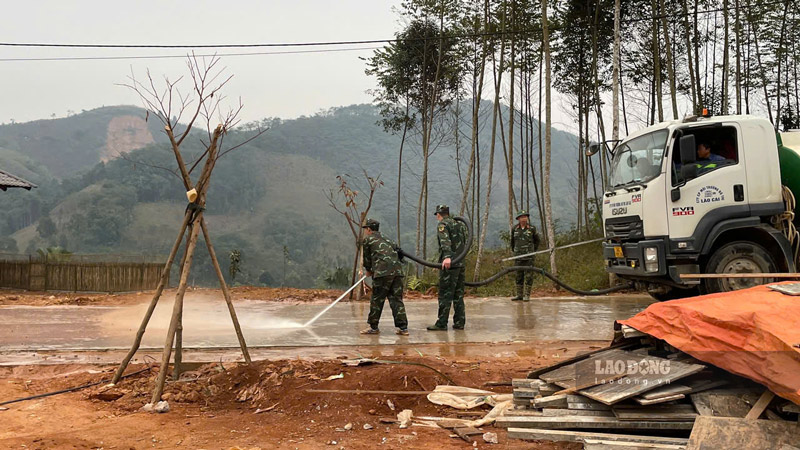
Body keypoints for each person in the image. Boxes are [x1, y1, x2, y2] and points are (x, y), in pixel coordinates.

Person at [360, 219, 409, 336]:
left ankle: (373, 327)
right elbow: (398, 252)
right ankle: (403, 328)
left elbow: (367, 258)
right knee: (396, 299)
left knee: (377, 299)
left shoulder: (368, 240)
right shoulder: (387, 238)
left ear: (369, 229)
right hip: (397, 272)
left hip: (382, 273)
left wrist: (368, 270)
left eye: (366, 229)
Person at [427, 205, 468, 331]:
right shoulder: (459, 224)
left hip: (450, 264)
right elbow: (465, 241)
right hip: (460, 262)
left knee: (445, 294)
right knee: (458, 294)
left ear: (438, 214)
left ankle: (442, 323)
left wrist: (447, 257)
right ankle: (459, 322)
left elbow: (445, 241)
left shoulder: (443, 225)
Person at [510, 210, 540, 302]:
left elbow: (537, 241)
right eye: (522, 217)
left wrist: (532, 251)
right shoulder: (515, 229)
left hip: (529, 256)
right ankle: (519, 295)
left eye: (525, 217)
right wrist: (515, 251)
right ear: (518, 219)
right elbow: (512, 242)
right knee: (518, 275)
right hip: (518, 256)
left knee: (529, 276)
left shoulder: (532, 228)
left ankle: (527, 295)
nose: (524, 219)